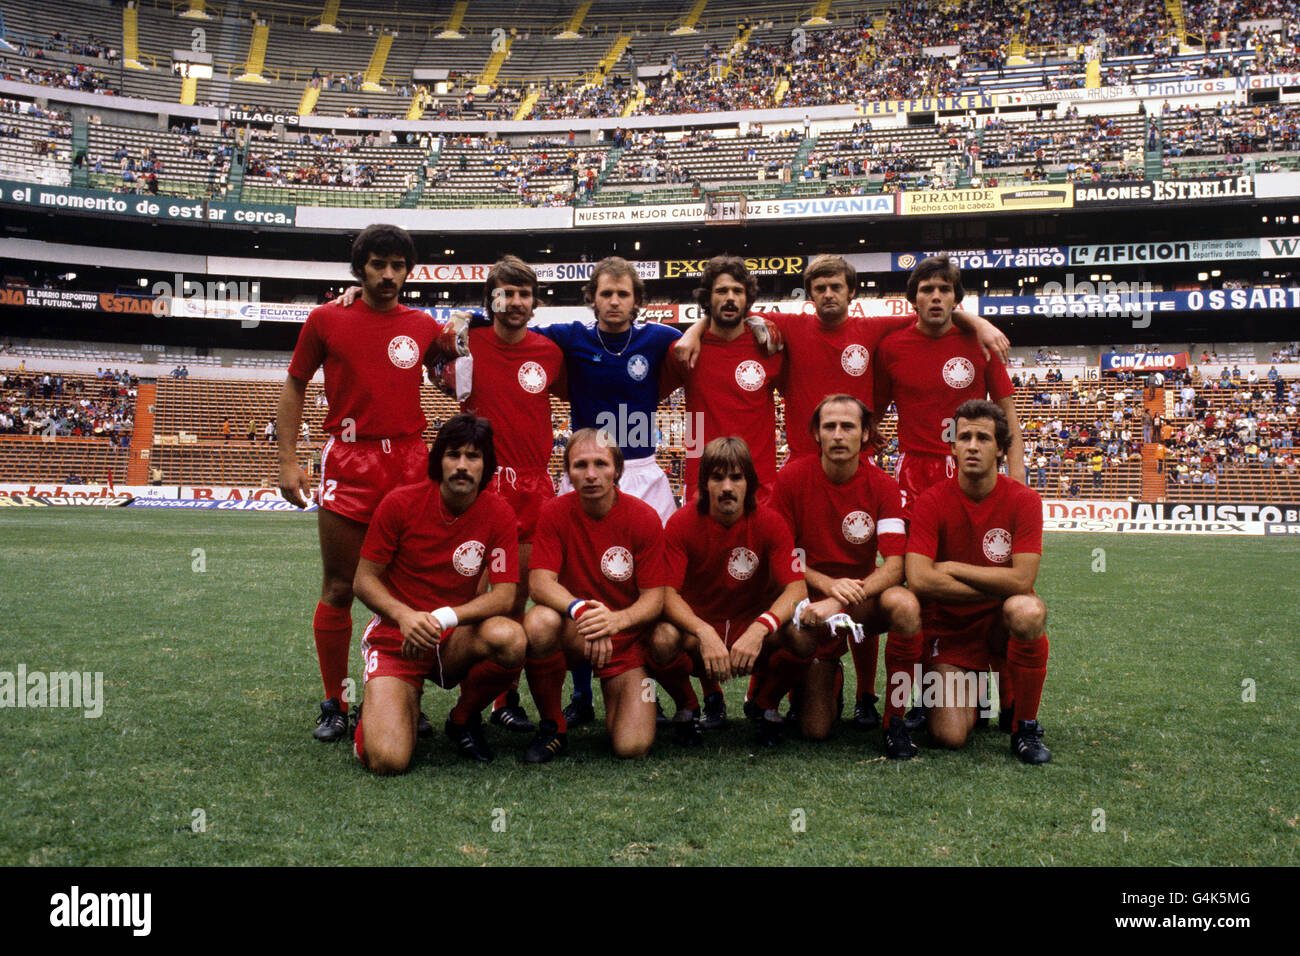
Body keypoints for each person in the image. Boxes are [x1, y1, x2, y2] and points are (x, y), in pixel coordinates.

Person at [675, 254, 1006, 731]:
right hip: (799, 468)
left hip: (858, 466)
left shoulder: (873, 331)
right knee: (780, 575)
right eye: (819, 287)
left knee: (862, 571)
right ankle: (766, 692)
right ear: (808, 295)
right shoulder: (785, 325)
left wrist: (977, 320)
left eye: (837, 286)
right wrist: (692, 329)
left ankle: (872, 694)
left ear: (852, 293)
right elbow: (732, 308)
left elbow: (931, 308)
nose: (828, 294)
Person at [277, 223, 462, 742]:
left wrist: (462, 344)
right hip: (351, 461)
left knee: (410, 588)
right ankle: (335, 702)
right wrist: (287, 460)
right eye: (377, 264)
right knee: (339, 586)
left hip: (410, 462)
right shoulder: (326, 319)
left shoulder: (423, 325)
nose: (387, 274)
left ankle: (406, 695)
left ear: (409, 271)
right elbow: (294, 385)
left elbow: (457, 366)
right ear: (360, 269)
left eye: (397, 265)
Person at [872, 254, 1024, 732]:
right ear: (912, 298)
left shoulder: (980, 345)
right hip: (914, 476)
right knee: (920, 588)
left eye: (944, 289)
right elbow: (873, 418)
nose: (935, 297)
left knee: (990, 579)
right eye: (925, 289)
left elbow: (1009, 420)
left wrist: (1016, 484)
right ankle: (922, 696)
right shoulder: (892, 345)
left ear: (956, 298)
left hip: (973, 471)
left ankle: (1002, 699)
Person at [351, 414, 524, 770]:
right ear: (438, 460)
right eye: (453, 455)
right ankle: (387, 708)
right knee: (387, 761)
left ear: (486, 464)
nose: (462, 465)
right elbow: (363, 580)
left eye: (473, 457)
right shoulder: (399, 503)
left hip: (452, 637)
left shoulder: (499, 513)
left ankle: (461, 717)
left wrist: (442, 618)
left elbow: (505, 595)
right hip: (397, 638)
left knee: (512, 638)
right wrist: (404, 616)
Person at [771, 394, 921, 758]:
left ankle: (894, 721)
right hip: (807, 604)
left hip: (858, 603)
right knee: (814, 731)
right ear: (816, 434)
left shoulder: (883, 486)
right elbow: (779, 555)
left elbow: (896, 564)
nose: (839, 435)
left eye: (848, 426)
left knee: (905, 604)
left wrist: (839, 599)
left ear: (865, 434)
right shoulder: (791, 479)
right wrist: (824, 587)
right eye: (830, 427)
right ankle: (824, 676)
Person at [905, 399, 1051, 764]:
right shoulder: (931, 500)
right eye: (964, 437)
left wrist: (952, 566)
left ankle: (1025, 727)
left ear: (1001, 448)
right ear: (952, 445)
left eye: (983, 438)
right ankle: (973, 693)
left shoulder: (1025, 500)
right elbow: (920, 579)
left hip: (1002, 621)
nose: (972, 445)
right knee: (949, 736)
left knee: (1028, 609)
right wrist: (994, 586)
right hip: (951, 630)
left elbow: (1023, 579)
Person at [521, 428, 669, 762]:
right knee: (540, 622)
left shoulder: (644, 517)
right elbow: (540, 584)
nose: (590, 475)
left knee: (632, 747)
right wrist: (583, 613)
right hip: (578, 632)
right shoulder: (554, 512)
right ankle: (552, 726)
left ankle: (639, 692)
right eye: (580, 465)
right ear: (568, 471)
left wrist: (615, 622)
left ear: (617, 469)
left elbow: (654, 599)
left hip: (624, 638)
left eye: (600, 464)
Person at [651, 437, 811, 747]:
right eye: (717, 477)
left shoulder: (771, 522)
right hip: (699, 633)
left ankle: (765, 704)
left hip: (749, 627)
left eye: (736, 477)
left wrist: (760, 628)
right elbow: (666, 594)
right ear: (704, 483)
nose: (727, 487)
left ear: (749, 483)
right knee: (661, 637)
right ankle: (688, 706)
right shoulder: (681, 523)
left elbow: (796, 589)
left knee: (803, 634)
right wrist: (703, 631)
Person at [660, 255, 783, 505]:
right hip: (703, 485)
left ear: (747, 299)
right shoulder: (685, 352)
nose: (730, 297)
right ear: (707, 298)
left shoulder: (771, 348)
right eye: (721, 291)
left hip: (759, 486)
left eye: (738, 291)